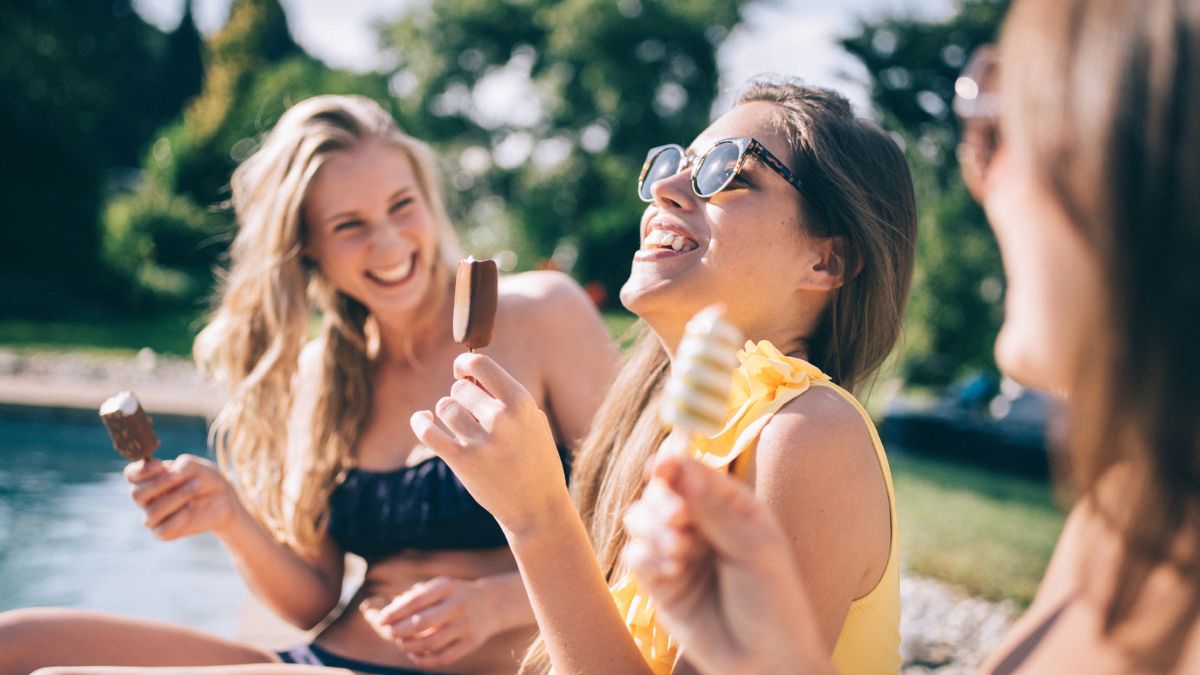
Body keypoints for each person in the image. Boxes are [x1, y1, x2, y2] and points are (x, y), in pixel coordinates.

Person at [621, 0, 1200, 673]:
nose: (980, 178)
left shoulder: (808, 428)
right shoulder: (1130, 519)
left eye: (1002, 131)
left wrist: (538, 522)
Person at [0, 94, 619, 675]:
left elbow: (638, 521)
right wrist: (229, 515)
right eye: (349, 224)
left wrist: (494, 605)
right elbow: (313, 601)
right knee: (15, 642)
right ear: (308, 248)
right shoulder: (322, 375)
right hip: (321, 660)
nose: (388, 241)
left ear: (429, 201)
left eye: (402, 205)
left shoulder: (542, 316)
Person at [411, 81, 917, 674]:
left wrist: (536, 518)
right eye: (677, 164)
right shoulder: (651, 425)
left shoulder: (808, 434)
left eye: (729, 172)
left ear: (826, 260)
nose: (668, 190)